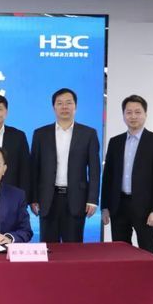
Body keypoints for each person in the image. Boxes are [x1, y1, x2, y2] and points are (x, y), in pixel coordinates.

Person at [30, 88, 100, 242]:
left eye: (69, 103)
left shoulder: (88, 134)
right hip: (48, 199)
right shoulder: (40, 134)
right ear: (53, 107)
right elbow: (34, 169)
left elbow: (94, 169)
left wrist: (93, 199)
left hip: (76, 198)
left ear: (75, 106)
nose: (64, 107)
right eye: (60, 103)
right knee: (49, 247)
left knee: (74, 247)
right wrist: (33, 198)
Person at [101, 95, 153, 253]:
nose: (133, 116)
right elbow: (108, 177)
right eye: (129, 112)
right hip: (118, 206)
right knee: (120, 252)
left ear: (145, 114)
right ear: (123, 115)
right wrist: (105, 206)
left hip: (145, 208)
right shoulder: (115, 142)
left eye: (138, 112)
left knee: (147, 252)